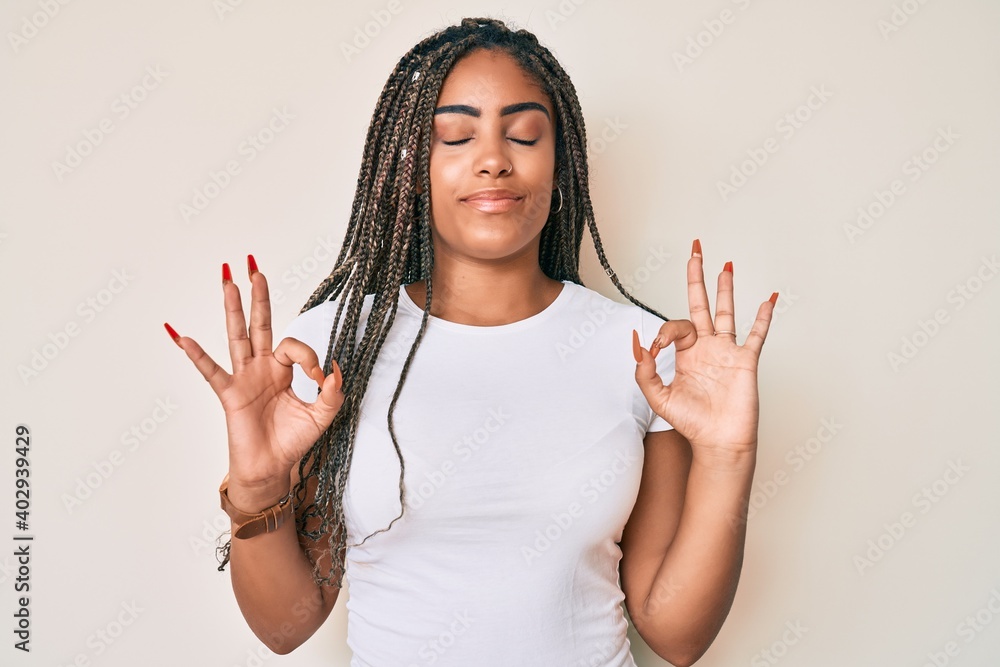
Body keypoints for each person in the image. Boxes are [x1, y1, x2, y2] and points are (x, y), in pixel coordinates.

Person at [163, 17, 776, 667]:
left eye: (524, 133)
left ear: (559, 160)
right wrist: (258, 491)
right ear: (410, 168)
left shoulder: (642, 351)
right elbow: (285, 627)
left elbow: (676, 634)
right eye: (455, 135)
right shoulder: (335, 346)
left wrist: (727, 456)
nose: (493, 158)